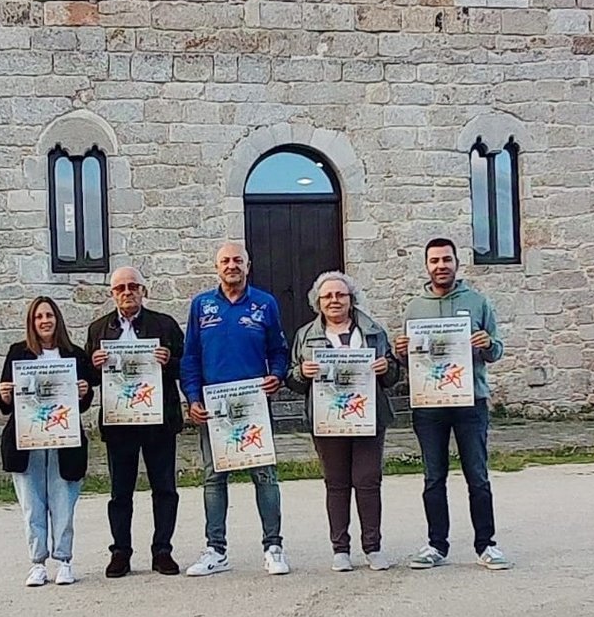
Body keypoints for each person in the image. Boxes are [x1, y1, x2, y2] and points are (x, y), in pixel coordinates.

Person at [393, 238, 513, 571]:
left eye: (446, 259)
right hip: (429, 404)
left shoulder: (477, 302)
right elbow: (410, 361)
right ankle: (436, 545)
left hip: (470, 401)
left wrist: (488, 344)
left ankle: (486, 545)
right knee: (433, 477)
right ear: (426, 266)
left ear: (457, 263)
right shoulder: (415, 308)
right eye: (434, 261)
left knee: (477, 475)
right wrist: (402, 352)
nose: (440, 266)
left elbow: (497, 350)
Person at [180, 242, 291, 577]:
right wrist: (192, 398)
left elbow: (279, 350)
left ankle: (273, 546)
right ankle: (216, 549)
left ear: (248, 265)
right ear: (217, 267)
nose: (232, 266)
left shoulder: (264, 303)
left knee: (265, 476)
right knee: (214, 478)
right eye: (226, 261)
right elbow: (190, 358)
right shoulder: (201, 306)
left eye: (238, 260)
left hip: (253, 405)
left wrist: (277, 375)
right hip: (213, 410)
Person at [286, 271, 400, 572]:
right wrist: (302, 373)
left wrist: (386, 366)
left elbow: (393, 377)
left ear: (351, 299)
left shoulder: (373, 331)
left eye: (340, 295)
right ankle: (340, 549)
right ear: (318, 302)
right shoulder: (305, 335)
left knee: (367, 480)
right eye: (327, 296)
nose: (334, 301)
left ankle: (373, 547)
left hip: (368, 416)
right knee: (336, 483)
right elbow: (293, 380)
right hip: (327, 418)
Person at [85, 266, 186, 578]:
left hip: (158, 421)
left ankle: (162, 550)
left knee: (165, 488)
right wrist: (93, 366)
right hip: (119, 423)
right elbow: (88, 379)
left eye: (133, 286)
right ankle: (120, 552)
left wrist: (169, 361)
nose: (127, 292)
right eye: (120, 288)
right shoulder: (99, 328)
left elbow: (188, 365)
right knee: (120, 492)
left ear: (144, 290)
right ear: (112, 294)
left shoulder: (165, 324)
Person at [0, 296, 97, 587]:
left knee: (63, 503)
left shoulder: (74, 355)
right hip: (27, 441)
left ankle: (64, 560)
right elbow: (6, 401)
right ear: (32, 322)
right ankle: (38, 563)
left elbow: (86, 399)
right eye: (39, 317)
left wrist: (84, 391)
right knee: (32, 505)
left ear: (57, 320)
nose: (44, 321)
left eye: (49, 315)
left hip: (64, 439)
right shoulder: (18, 353)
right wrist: (3, 395)